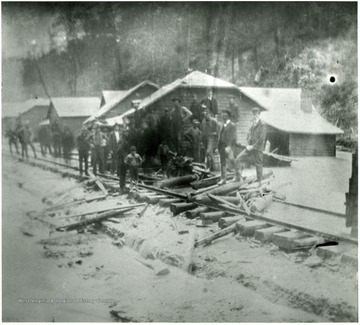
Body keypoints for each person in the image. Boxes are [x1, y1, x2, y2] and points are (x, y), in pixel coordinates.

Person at [235, 107, 267, 183]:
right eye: (253, 115)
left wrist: (253, 146)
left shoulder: (263, 124)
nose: (254, 116)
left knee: (258, 163)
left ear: (259, 115)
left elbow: (261, 139)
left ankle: (259, 181)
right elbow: (249, 135)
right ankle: (238, 178)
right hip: (250, 147)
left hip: (258, 148)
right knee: (238, 159)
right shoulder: (252, 125)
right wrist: (248, 144)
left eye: (256, 115)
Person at [217, 110, 237, 185]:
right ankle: (223, 179)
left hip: (229, 147)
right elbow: (220, 136)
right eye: (222, 115)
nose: (222, 116)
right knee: (223, 162)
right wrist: (217, 146)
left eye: (224, 115)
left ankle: (237, 175)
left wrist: (229, 146)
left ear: (228, 116)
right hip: (221, 146)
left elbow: (233, 137)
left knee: (232, 160)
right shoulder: (223, 125)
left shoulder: (232, 125)